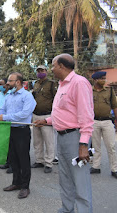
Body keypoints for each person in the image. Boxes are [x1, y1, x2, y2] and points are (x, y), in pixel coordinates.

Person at [34, 54, 94, 212]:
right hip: (61, 137)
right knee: (65, 178)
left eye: (53, 66)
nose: (51, 69)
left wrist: (83, 144)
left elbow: (86, 117)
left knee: (80, 181)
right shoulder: (62, 84)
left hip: (75, 138)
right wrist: (46, 121)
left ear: (62, 66)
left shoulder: (79, 83)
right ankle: (67, 209)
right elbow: (62, 113)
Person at [0, 72, 36, 199]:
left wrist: (4, 117)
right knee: (13, 158)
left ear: (18, 82)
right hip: (10, 129)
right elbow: (2, 109)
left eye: (10, 81)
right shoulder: (9, 96)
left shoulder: (27, 96)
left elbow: (24, 114)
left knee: (23, 159)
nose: (7, 83)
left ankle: (25, 187)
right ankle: (16, 183)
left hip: (22, 130)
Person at [90, 71, 117, 179]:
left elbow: (114, 106)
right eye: (101, 78)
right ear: (95, 80)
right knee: (96, 146)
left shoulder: (109, 91)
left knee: (111, 146)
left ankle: (114, 169)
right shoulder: (89, 91)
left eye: (104, 78)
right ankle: (96, 166)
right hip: (94, 121)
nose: (104, 80)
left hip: (107, 121)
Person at [31, 65, 57, 173]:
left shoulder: (51, 84)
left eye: (42, 70)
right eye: (38, 71)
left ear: (46, 71)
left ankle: (49, 163)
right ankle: (39, 160)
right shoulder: (36, 84)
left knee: (48, 140)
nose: (40, 72)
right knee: (37, 140)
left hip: (47, 115)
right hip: (36, 115)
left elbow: (56, 100)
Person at [0, 78, 13, 173]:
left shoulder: (11, 94)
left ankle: (13, 164)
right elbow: (0, 108)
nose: (0, 86)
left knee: (11, 143)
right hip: (0, 119)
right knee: (5, 142)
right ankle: (7, 161)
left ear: (6, 85)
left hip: (9, 120)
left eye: (2, 84)